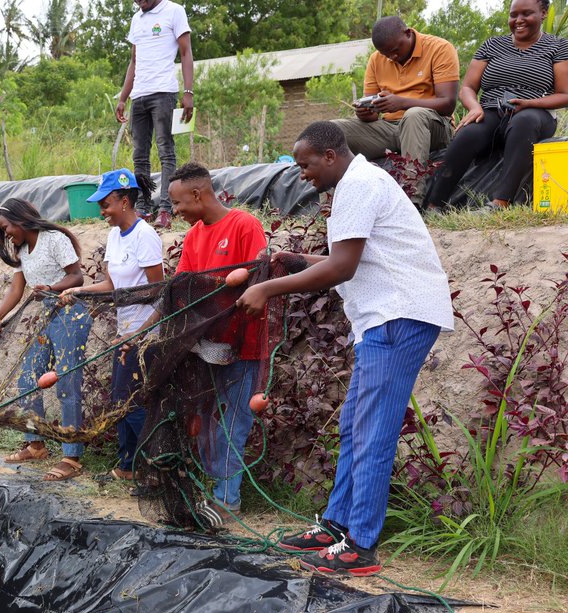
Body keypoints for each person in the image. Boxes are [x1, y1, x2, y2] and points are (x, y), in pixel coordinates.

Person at [236, 122, 454, 575]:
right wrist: (296, 261)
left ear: (329, 156)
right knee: (355, 426)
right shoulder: (359, 182)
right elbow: (351, 258)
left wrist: (268, 289)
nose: (302, 175)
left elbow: (342, 269)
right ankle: (336, 526)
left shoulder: (359, 184)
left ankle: (361, 545)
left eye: (306, 165)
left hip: (398, 316)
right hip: (384, 318)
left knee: (373, 431)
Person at [165, 162, 268, 524]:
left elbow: (258, 274)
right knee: (206, 421)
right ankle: (215, 489)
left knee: (233, 422)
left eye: (177, 203)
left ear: (197, 193)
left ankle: (228, 499)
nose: (175, 211)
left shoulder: (243, 225)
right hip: (206, 345)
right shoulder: (194, 236)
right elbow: (182, 285)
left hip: (243, 345)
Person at [60, 169, 163, 483]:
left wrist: (136, 327)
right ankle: (128, 465)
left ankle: (158, 463)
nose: (102, 211)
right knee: (121, 399)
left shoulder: (145, 236)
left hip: (145, 333)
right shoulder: (114, 235)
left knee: (125, 400)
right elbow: (109, 284)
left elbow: (158, 290)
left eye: (106, 204)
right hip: (124, 331)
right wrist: (78, 291)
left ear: (126, 200)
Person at [426, 0, 568, 211]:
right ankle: (433, 206)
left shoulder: (558, 46)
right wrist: (474, 107)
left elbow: (564, 94)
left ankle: (500, 202)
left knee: (523, 122)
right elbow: (468, 88)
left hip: (536, 112)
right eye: (513, 15)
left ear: (543, 13)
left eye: (526, 14)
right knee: (468, 134)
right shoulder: (492, 45)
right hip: (492, 110)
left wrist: (529, 103)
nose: (518, 20)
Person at [0, 198, 92, 481]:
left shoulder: (54, 239)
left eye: (6, 227)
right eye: (2, 231)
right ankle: (36, 444)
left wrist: (52, 288)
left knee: (67, 383)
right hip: (45, 317)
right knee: (28, 379)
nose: (6, 234)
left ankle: (71, 456)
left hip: (70, 314)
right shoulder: (23, 250)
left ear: (21, 219)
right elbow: (17, 288)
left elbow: (77, 277)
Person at [329, 16, 459, 202]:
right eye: (386, 54)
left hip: (433, 127)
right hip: (391, 128)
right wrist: (366, 113)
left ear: (408, 33)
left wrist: (403, 103)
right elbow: (373, 114)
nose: (392, 57)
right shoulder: (376, 60)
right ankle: (333, 207)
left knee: (413, 116)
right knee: (331, 131)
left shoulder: (439, 48)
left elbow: (447, 104)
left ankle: (411, 201)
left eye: (395, 50)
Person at [115, 0, 195, 228]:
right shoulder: (136, 19)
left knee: (165, 151)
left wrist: (188, 91)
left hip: (163, 93)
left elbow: (186, 52)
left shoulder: (174, 11)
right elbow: (133, 61)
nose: (138, 1)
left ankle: (165, 209)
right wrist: (123, 97)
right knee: (139, 155)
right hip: (139, 95)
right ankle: (142, 207)